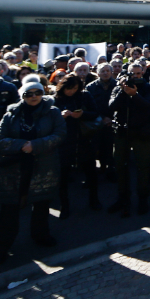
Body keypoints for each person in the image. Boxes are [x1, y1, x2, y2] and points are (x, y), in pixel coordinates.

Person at [0, 81, 66, 264]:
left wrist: (35, 145)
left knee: (41, 204)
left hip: (43, 165)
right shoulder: (11, 113)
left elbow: (60, 134)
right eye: (28, 94)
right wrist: (22, 145)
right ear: (22, 95)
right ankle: (2, 247)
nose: (33, 96)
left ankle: (41, 235)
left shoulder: (52, 112)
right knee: (9, 209)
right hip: (14, 168)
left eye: (37, 92)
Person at [108, 62, 150, 217]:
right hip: (122, 132)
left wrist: (135, 95)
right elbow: (111, 107)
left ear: (142, 74)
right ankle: (123, 197)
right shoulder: (118, 87)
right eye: (132, 74)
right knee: (120, 166)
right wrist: (123, 91)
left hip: (141, 133)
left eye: (138, 74)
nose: (135, 77)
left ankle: (143, 198)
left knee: (143, 167)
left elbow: (148, 105)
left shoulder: (147, 87)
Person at [53, 73, 100, 217]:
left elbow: (95, 112)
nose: (71, 91)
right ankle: (64, 205)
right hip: (64, 141)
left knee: (91, 172)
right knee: (63, 176)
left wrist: (82, 114)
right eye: (69, 88)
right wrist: (60, 115)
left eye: (74, 88)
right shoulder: (56, 99)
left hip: (83, 139)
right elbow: (50, 117)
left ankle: (94, 200)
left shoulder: (84, 95)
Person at [86, 63, 117, 181]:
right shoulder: (90, 87)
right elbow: (89, 106)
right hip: (96, 122)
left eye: (107, 71)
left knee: (110, 148)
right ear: (98, 73)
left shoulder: (117, 85)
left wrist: (110, 119)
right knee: (94, 148)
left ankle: (111, 171)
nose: (105, 73)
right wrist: (102, 117)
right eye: (102, 71)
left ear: (111, 72)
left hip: (112, 122)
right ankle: (93, 174)